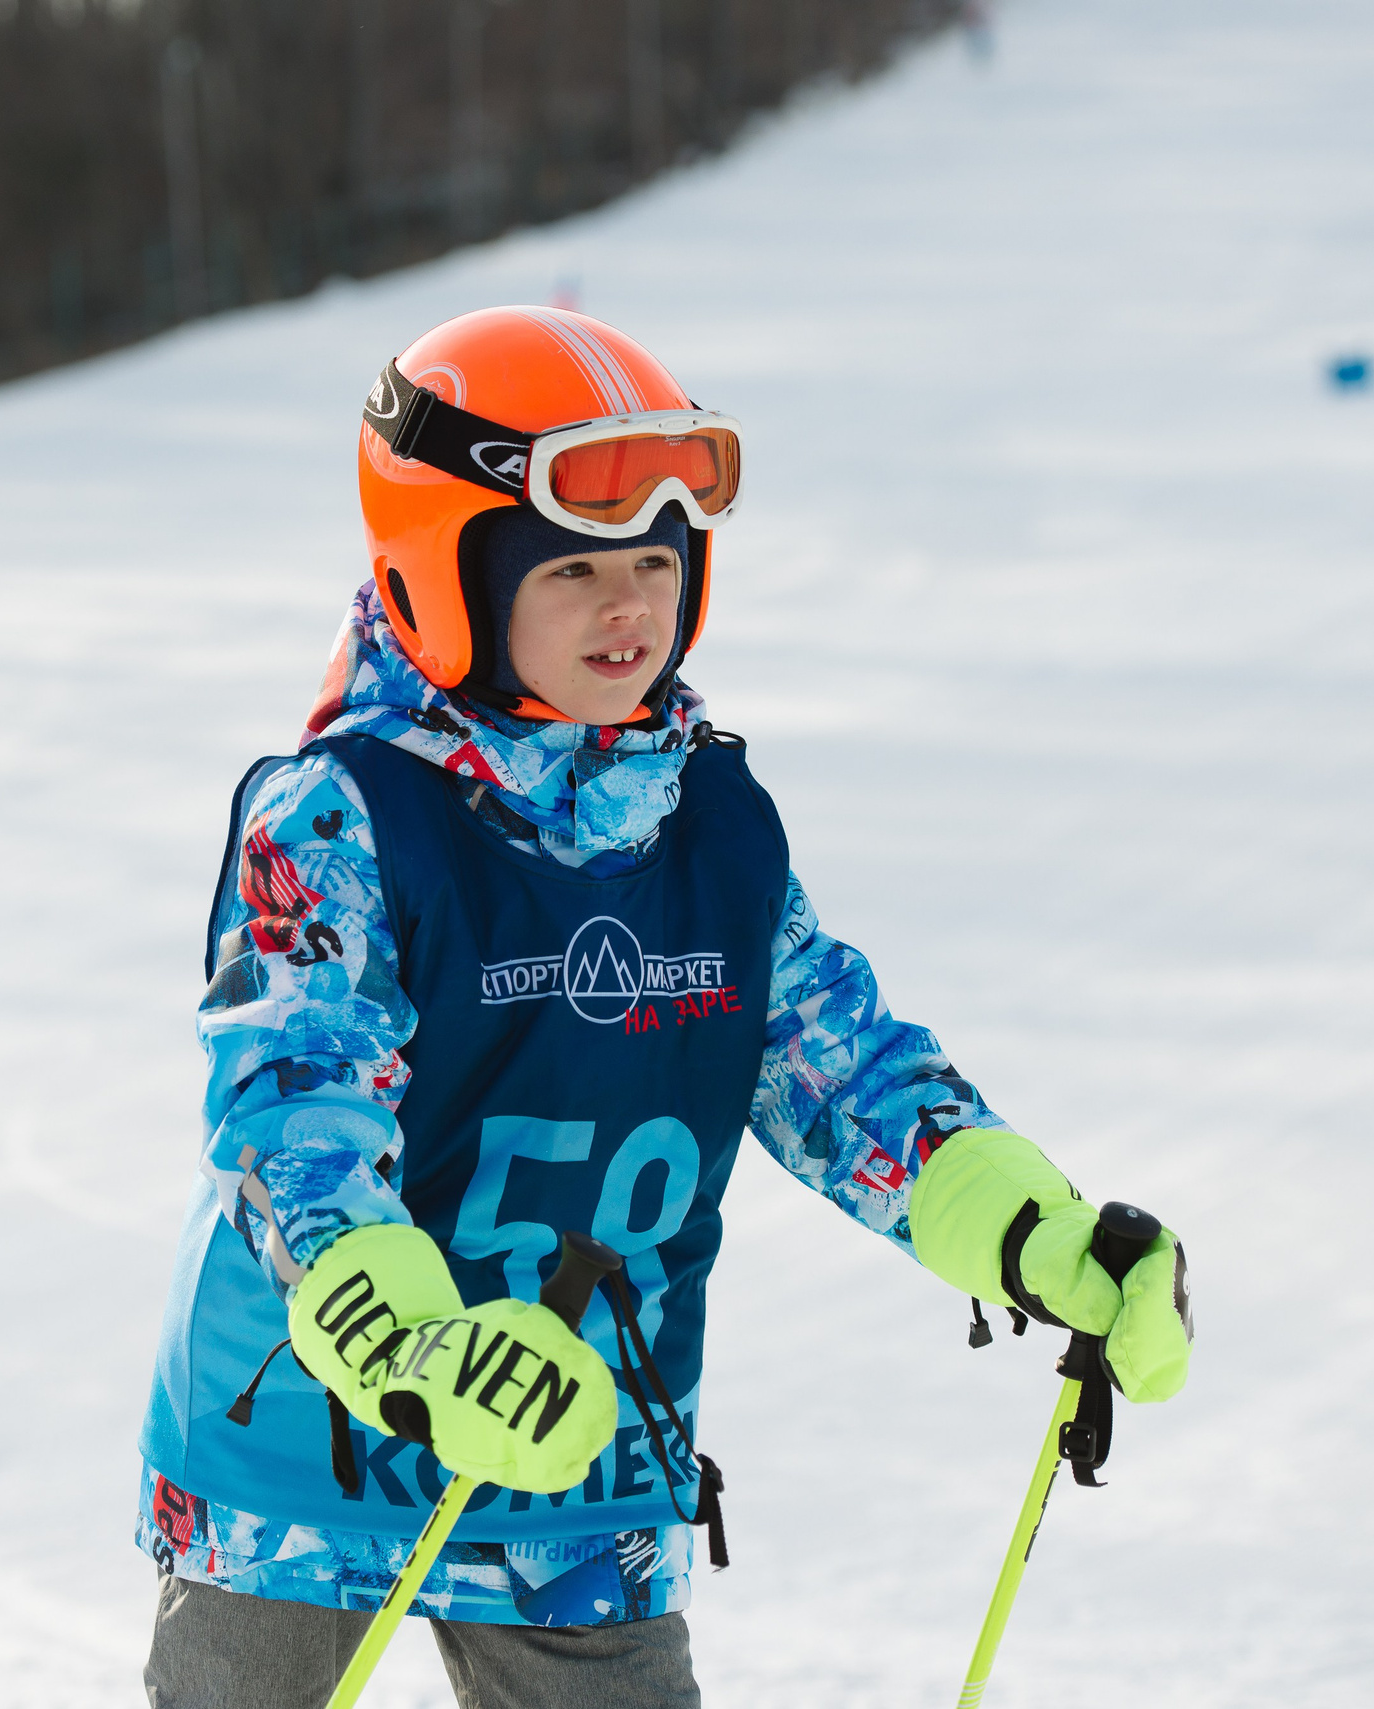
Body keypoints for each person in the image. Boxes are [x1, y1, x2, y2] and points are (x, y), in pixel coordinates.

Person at [134, 307, 1193, 1709]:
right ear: (446, 577)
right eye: (574, 568)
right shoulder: (338, 819)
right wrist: (418, 1345)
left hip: (578, 1455)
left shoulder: (709, 828)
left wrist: (1033, 1230)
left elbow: (840, 1074)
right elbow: (295, 1123)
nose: (629, 605)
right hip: (301, 1458)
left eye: (656, 561)